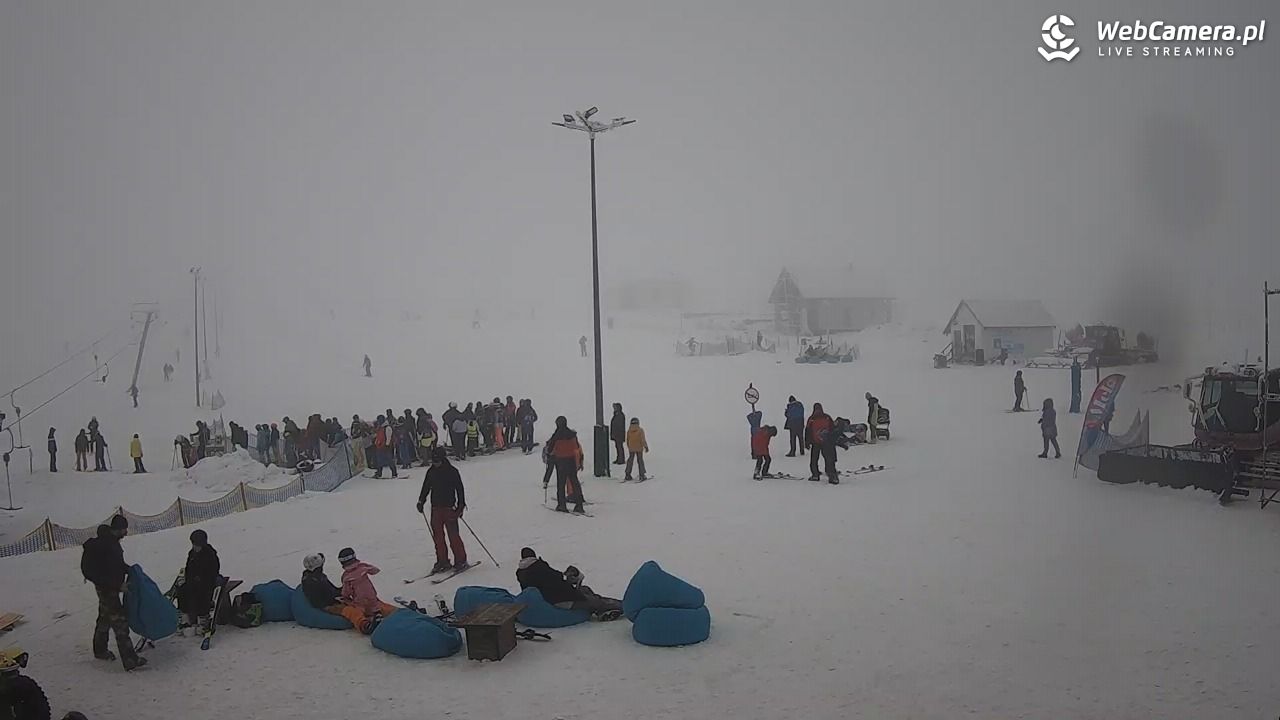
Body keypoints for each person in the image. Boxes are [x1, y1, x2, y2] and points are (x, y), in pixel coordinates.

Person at [79, 515, 146, 670]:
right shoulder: (105, 545)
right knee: (120, 623)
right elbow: (101, 572)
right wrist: (117, 585)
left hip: (110, 588)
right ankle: (130, 660)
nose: (126, 532)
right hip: (108, 589)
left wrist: (129, 570)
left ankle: (100, 649)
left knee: (105, 617)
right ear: (118, 529)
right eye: (124, 529)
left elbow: (115, 564)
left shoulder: (111, 542)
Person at [516, 548, 621, 619]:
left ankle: (599, 611)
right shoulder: (540, 567)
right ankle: (623, 606)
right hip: (559, 600)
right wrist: (570, 580)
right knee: (593, 600)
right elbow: (557, 580)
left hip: (548, 600)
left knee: (585, 590)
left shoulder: (521, 573)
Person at [416, 448, 469, 573]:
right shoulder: (431, 471)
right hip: (436, 508)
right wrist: (421, 501)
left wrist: (461, 506)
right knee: (438, 537)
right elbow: (426, 487)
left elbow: (459, 489)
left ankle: (461, 560)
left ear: (443, 459)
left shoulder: (452, 472)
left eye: (437, 461)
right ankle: (442, 561)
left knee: (453, 536)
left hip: (449, 508)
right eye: (433, 461)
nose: (435, 463)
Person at [337, 548, 397, 633]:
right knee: (383, 606)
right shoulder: (362, 567)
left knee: (354, 612)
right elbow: (375, 570)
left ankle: (365, 625)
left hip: (360, 603)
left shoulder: (346, 577)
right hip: (372, 599)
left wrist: (344, 597)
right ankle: (401, 613)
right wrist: (364, 567)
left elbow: (346, 592)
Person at [177, 529, 220, 634]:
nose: (195, 547)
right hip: (193, 582)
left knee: (201, 591)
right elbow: (188, 569)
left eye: (197, 545)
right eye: (194, 544)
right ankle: (185, 618)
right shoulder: (192, 554)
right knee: (182, 590)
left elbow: (213, 571)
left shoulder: (210, 554)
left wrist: (200, 578)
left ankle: (203, 619)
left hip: (207, 582)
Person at [547, 416, 586, 513]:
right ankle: (579, 505)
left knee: (561, 484)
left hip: (561, 461)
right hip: (571, 461)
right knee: (574, 482)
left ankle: (562, 505)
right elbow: (576, 446)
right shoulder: (572, 434)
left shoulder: (556, 436)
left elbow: (550, 449)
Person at [805, 403, 839, 484]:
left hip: (815, 442)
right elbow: (832, 429)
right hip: (826, 442)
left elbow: (807, 431)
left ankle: (815, 475)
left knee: (814, 459)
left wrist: (807, 442)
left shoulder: (812, 418)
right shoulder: (827, 417)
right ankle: (832, 476)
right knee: (828, 459)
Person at [625, 417, 649, 482]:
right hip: (639, 448)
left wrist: (629, 447)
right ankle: (642, 475)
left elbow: (627, 440)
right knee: (640, 461)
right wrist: (646, 447)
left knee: (630, 460)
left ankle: (627, 474)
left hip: (631, 448)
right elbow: (643, 440)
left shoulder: (629, 431)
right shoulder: (640, 430)